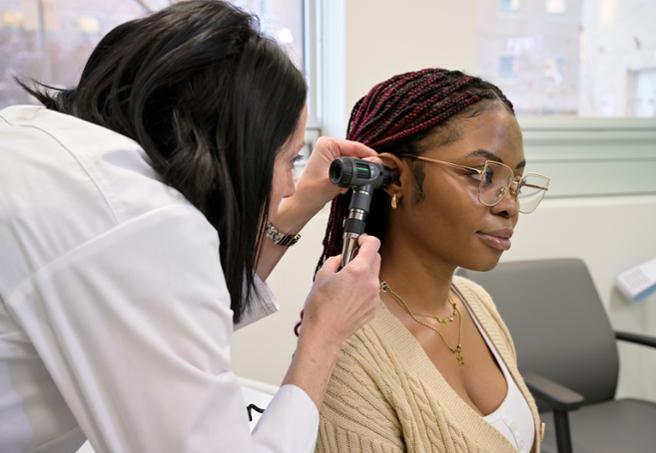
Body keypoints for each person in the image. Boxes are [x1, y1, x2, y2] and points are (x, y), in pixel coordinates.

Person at [0, 1, 382, 452]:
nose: (287, 185)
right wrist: (324, 335)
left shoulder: (42, 144)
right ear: (234, 147)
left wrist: (297, 209)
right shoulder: (137, 225)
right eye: (287, 158)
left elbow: (166, 324)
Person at [314, 69, 551, 453]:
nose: (509, 205)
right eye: (481, 175)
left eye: (516, 183)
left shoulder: (476, 303)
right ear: (395, 179)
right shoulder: (349, 355)